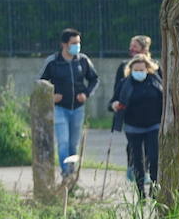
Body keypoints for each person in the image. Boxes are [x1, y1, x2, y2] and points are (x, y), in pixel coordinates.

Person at [39, 28, 99, 178]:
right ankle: (66, 172)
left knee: (73, 144)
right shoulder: (53, 62)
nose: (77, 46)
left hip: (78, 108)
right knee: (63, 142)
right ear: (64, 44)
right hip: (59, 108)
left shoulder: (83, 60)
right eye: (74, 43)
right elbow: (40, 84)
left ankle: (72, 171)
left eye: (78, 43)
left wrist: (86, 94)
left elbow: (94, 79)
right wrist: (50, 96)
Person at [111, 55, 163, 198]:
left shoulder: (156, 81)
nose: (139, 72)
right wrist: (115, 105)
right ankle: (141, 192)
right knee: (138, 160)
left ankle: (154, 187)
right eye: (136, 69)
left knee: (154, 157)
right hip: (133, 127)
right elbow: (113, 101)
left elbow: (164, 98)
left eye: (142, 69)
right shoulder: (124, 83)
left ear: (148, 69)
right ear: (131, 70)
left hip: (153, 125)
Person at [109, 35, 153, 130]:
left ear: (145, 49)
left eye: (135, 46)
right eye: (131, 46)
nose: (131, 49)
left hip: (151, 117)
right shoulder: (124, 66)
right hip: (131, 115)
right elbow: (117, 90)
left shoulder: (154, 67)